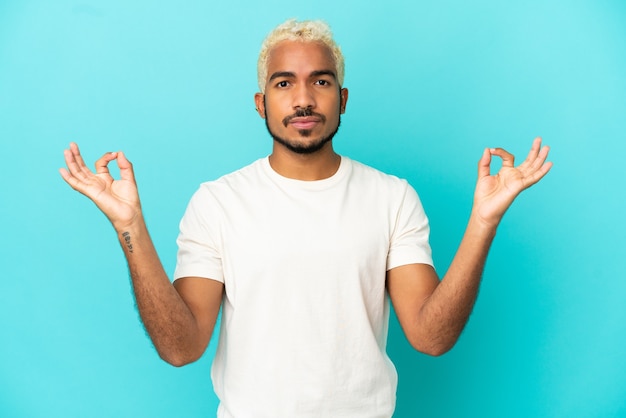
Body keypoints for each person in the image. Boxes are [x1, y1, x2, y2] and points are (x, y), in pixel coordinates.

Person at [60, 19, 552, 418]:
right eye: (283, 83)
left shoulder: (391, 197)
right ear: (261, 104)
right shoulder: (217, 202)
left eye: (320, 80)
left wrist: (483, 222)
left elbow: (431, 336)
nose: (303, 98)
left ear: (342, 99)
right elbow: (181, 347)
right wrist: (130, 227)